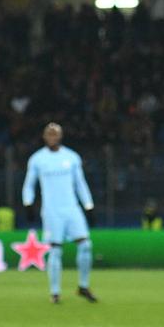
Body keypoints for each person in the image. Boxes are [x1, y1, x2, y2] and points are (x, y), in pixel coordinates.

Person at [22, 122, 97, 303]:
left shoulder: (71, 157)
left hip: (72, 208)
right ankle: (55, 292)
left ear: (60, 136)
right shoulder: (37, 159)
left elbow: (80, 183)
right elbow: (29, 183)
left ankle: (83, 286)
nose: (52, 137)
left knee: (86, 245)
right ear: (44, 137)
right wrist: (28, 204)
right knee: (55, 251)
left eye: (55, 134)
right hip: (52, 211)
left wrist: (88, 205)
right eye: (49, 134)